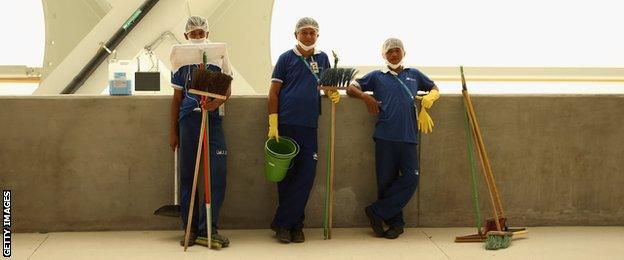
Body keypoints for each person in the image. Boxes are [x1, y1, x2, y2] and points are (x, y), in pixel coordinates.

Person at [346, 38, 440, 239]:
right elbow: (351, 87)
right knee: (386, 182)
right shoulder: (377, 76)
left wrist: (429, 100)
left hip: (408, 137)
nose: (394, 55)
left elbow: (434, 87)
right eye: (389, 52)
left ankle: (376, 211)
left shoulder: (414, 74)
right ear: (383, 55)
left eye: (397, 51)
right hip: (385, 137)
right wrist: (366, 97)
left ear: (403, 53)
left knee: (411, 178)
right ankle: (395, 225)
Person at [267, 17, 340, 243]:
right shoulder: (285, 58)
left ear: (317, 36)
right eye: (304, 33)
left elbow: (326, 86)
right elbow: (274, 92)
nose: (308, 36)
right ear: (295, 34)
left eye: (312, 33)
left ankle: (283, 222)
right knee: (287, 176)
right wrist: (273, 122)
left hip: (310, 124)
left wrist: (332, 93)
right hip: (286, 124)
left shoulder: (323, 58)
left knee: (306, 174)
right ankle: (293, 227)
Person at [169, 16, 231, 247]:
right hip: (188, 120)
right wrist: (173, 131)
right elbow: (176, 98)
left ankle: (209, 228)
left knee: (217, 173)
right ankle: (191, 228)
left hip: (212, 120)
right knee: (188, 176)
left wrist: (216, 103)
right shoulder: (181, 63)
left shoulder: (218, 58)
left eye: (200, 33)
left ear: (207, 33)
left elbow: (227, 90)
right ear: (186, 36)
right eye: (193, 34)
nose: (197, 37)